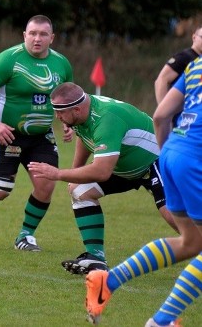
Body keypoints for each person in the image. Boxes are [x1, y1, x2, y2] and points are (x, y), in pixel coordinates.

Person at [83, 56, 202, 327]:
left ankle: (107, 281)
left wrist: (169, 157)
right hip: (195, 158)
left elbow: (161, 116)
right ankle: (162, 321)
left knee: (191, 243)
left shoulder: (196, 66)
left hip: (171, 153)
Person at [28, 82, 178, 275]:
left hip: (159, 160)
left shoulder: (107, 118)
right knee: (79, 190)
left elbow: (101, 172)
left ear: (76, 109)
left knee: (172, 214)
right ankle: (96, 257)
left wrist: (58, 174)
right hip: (126, 166)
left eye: (60, 112)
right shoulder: (80, 113)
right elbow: (85, 136)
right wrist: (76, 171)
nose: (57, 117)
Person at [0, 15, 74, 253]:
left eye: (42, 34)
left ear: (52, 37)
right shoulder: (8, 59)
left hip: (41, 137)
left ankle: (26, 236)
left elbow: (66, 98)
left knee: (46, 185)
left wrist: (69, 122)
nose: (37, 39)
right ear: (24, 36)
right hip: (5, 133)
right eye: (32, 33)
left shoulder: (61, 64)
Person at [154, 25, 202, 105]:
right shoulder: (184, 57)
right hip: (180, 113)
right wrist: (165, 111)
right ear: (194, 37)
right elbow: (161, 80)